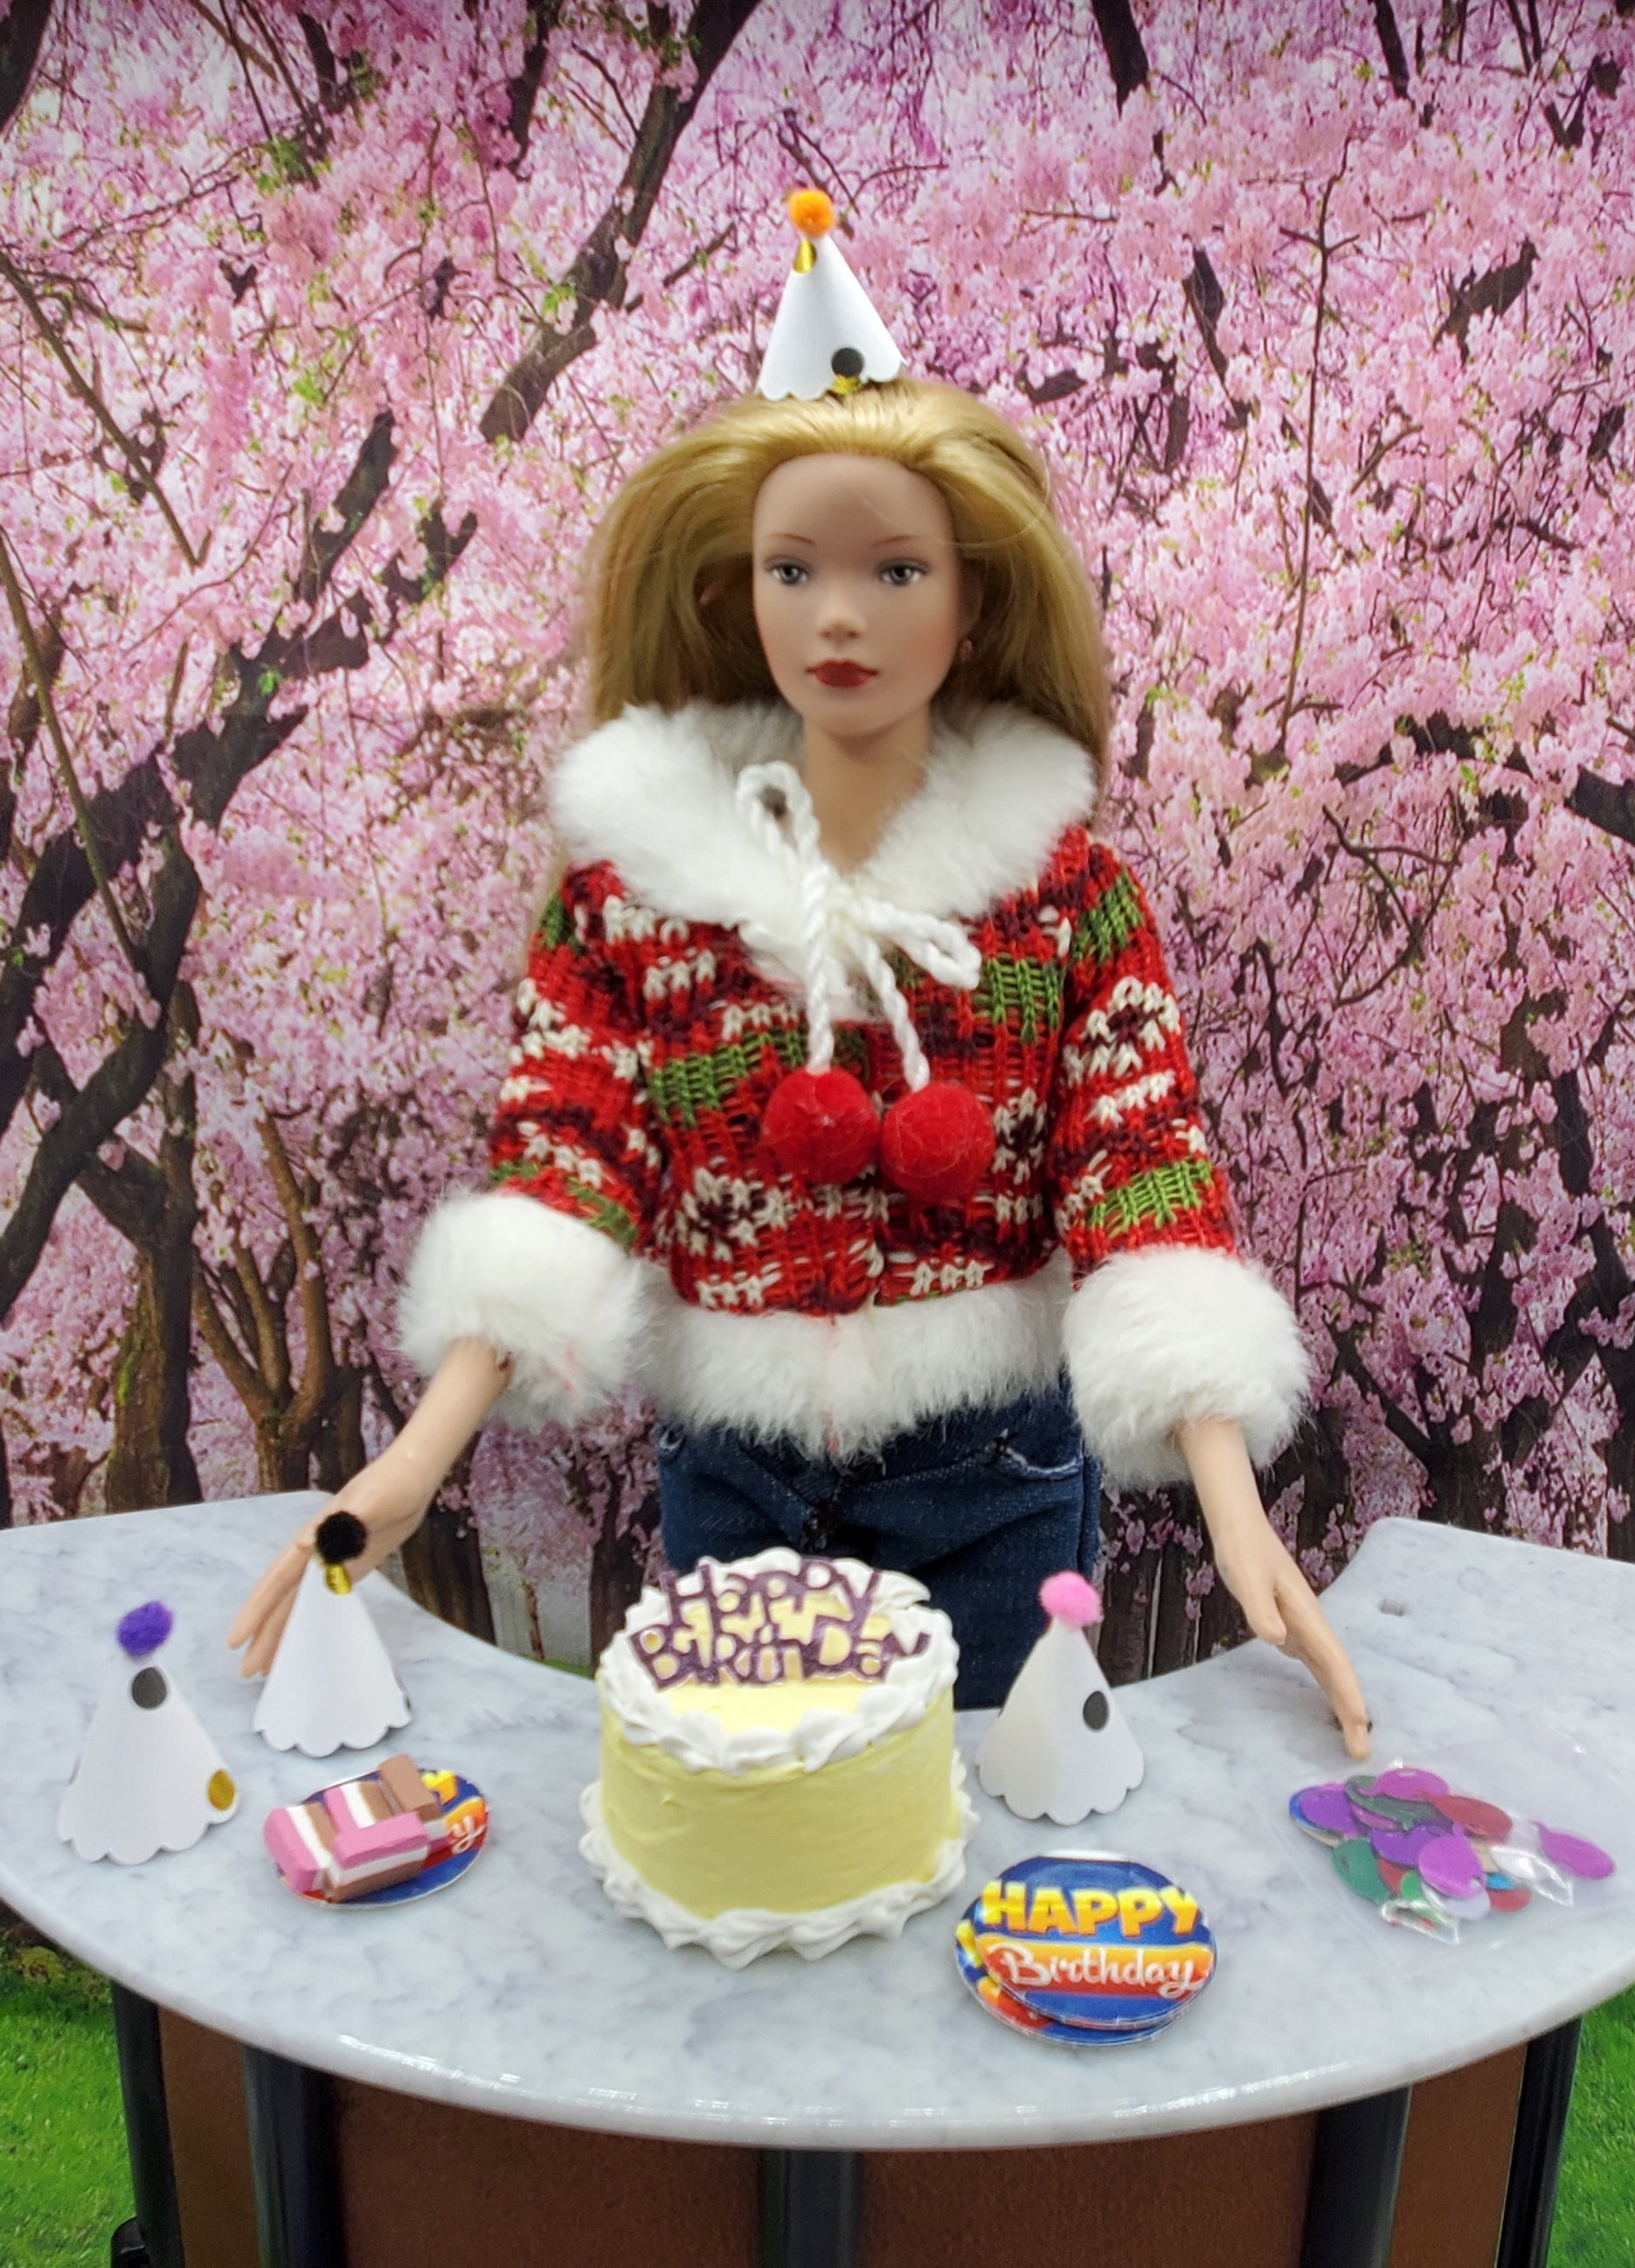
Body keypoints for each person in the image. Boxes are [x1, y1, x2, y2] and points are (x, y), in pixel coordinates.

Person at [230, 195, 1368, 1750]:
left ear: (973, 599)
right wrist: (414, 1463)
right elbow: (573, 1159)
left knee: (987, 1826)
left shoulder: (1065, 901)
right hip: (736, 1474)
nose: (837, 617)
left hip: (993, 1476)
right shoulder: (633, 902)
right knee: (762, 1826)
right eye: (792, 571)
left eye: (895, 571)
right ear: (732, 590)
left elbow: (1137, 1162)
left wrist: (1234, 1510)